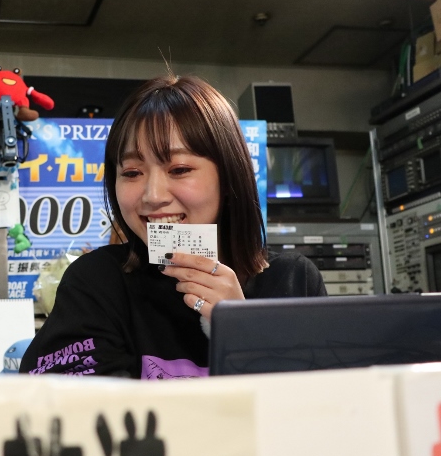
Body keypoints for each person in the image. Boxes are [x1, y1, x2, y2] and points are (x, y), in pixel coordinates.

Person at [19, 75, 326, 379]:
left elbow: (324, 403)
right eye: (132, 172)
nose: (153, 196)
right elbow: (65, 400)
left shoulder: (292, 281)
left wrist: (243, 334)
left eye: (179, 169)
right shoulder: (97, 281)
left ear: (228, 176)